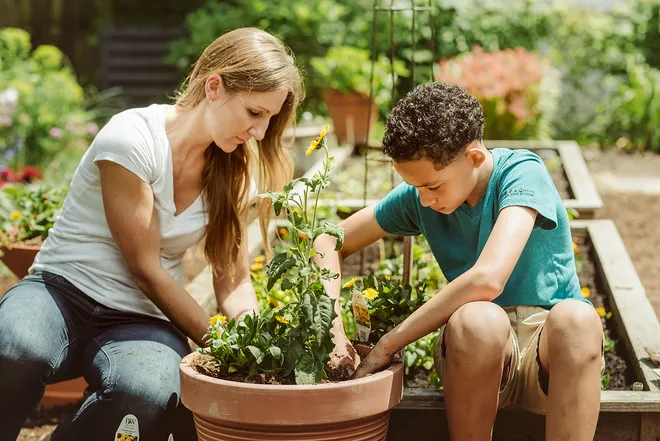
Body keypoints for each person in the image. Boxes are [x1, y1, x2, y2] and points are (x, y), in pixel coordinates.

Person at [0, 27, 303, 441]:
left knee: (147, 391)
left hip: (141, 319)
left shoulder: (235, 171)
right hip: (61, 293)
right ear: (213, 87)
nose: (261, 133)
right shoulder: (132, 137)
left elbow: (232, 281)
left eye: (270, 118)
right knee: (14, 347)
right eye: (254, 112)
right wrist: (221, 345)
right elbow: (145, 268)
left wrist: (256, 345)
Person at [315, 82, 604, 441]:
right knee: (477, 318)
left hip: (551, 355)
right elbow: (327, 240)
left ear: (475, 158)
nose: (423, 201)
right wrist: (334, 330)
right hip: (476, 354)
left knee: (577, 318)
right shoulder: (423, 197)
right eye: (416, 188)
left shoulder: (522, 173)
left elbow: (488, 279)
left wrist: (388, 344)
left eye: (433, 187)